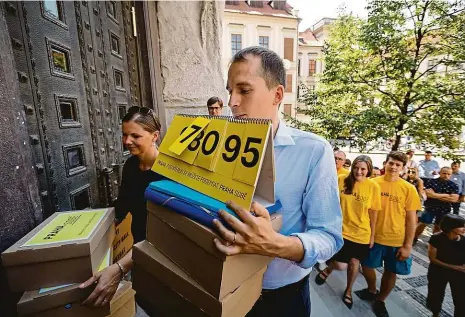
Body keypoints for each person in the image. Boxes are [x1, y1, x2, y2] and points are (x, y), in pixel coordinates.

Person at [214, 46, 343, 317]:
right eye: (229, 91)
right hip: (222, 292)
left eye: (244, 90)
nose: (232, 102)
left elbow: (329, 237)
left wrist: (274, 244)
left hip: (283, 299)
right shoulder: (218, 141)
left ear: (278, 95)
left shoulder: (313, 151)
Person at [80, 106, 164, 307]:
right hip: (137, 252)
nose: (127, 142)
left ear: (155, 136)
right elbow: (123, 206)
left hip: (161, 256)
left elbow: (164, 234)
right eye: (125, 135)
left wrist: (119, 268)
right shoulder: (130, 166)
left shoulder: (167, 173)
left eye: (135, 135)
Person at [358, 151, 421, 317]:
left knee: (390, 271)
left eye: (398, 165)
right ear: (386, 163)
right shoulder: (371, 183)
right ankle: (372, 289)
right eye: (391, 163)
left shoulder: (409, 189)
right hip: (371, 236)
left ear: (403, 168)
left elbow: (411, 220)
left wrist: (408, 245)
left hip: (396, 239)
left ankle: (381, 300)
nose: (393, 167)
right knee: (366, 265)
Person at [315, 155, 381, 310]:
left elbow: (373, 213)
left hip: (361, 233)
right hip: (342, 230)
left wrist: (372, 235)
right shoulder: (342, 180)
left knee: (354, 264)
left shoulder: (373, 187)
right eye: (356, 168)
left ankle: (349, 291)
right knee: (340, 264)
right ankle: (329, 269)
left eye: (363, 169)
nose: (359, 172)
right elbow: (331, 201)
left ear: (368, 170)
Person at [427, 214, 465, 317]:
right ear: (450, 227)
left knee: (461, 299)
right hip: (438, 271)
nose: (464, 229)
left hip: (459, 274)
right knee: (435, 295)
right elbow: (433, 259)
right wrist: (455, 267)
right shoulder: (436, 238)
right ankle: (435, 313)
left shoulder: (463, 240)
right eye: (461, 226)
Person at [415, 167, 459, 240]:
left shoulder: (454, 185)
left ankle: (433, 242)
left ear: (451, 175)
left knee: (438, 226)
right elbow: (428, 194)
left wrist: (434, 195)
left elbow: (454, 199)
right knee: (423, 223)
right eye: (444, 173)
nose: (446, 175)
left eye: (449, 174)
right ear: (440, 173)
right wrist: (447, 195)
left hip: (445, 209)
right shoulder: (431, 181)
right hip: (430, 207)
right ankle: (414, 237)